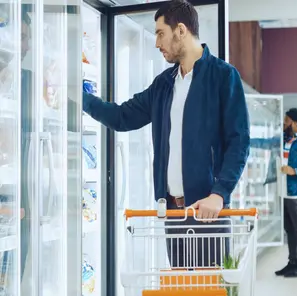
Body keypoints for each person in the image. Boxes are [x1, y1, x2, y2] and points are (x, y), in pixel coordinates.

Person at [83, 0, 250, 267]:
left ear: (181, 30)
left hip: (207, 211)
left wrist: (219, 194)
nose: (157, 42)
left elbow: (238, 142)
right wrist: (79, 98)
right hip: (173, 210)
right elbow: (122, 117)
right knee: (180, 287)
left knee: (208, 292)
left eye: (161, 33)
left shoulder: (223, 77)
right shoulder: (164, 85)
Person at [276, 108, 297, 277]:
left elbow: (294, 168)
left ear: (295, 123)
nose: (284, 124)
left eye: (287, 121)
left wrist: (295, 171)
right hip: (283, 191)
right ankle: (292, 262)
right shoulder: (284, 141)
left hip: (296, 193)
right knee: (289, 229)